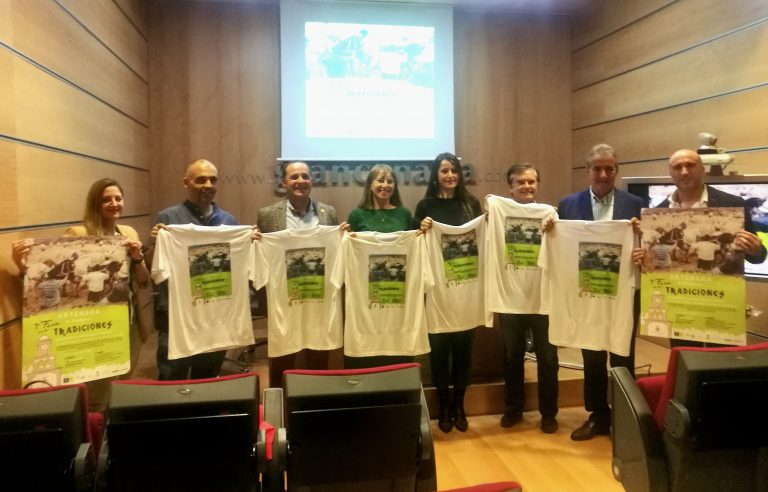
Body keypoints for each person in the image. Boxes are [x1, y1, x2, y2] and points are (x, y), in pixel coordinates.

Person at [12, 178, 150, 410]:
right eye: (106, 199)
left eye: (118, 198)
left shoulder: (128, 232)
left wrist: (137, 258)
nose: (114, 203)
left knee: (122, 381)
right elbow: (52, 273)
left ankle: (111, 424)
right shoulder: (78, 233)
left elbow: (144, 282)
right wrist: (22, 262)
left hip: (129, 323)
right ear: (95, 203)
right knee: (98, 387)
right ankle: (95, 427)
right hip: (95, 326)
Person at [557, 144, 644, 441]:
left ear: (617, 170)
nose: (604, 174)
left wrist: (642, 242)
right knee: (592, 353)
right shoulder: (568, 205)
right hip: (587, 290)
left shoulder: (636, 204)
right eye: (597, 168)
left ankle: (626, 417)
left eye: (610, 169)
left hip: (624, 291)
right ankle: (598, 415)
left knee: (623, 354)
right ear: (587, 170)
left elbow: (651, 244)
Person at [654, 149, 766, 347]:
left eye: (690, 165)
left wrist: (755, 249)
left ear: (702, 169)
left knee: (723, 359)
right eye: (677, 167)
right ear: (671, 174)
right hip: (680, 303)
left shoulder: (732, 204)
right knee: (685, 356)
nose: (684, 171)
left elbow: (758, 257)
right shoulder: (657, 213)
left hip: (720, 301)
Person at [146, 159, 239, 380]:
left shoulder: (229, 221)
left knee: (207, 376)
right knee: (172, 376)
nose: (208, 185)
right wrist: (156, 244)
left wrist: (250, 240)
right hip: (175, 314)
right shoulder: (168, 218)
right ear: (185, 183)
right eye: (200, 180)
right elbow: (152, 266)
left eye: (213, 180)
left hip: (214, 314)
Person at [256, 161, 341, 387]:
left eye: (305, 176)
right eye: (294, 177)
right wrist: (256, 241)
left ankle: (314, 401)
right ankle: (281, 404)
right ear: (283, 182)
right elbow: (262, 257)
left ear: (311, 180)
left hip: (319, 299)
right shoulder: (267, 215)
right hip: (285, 302)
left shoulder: (328, 213)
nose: (300, 181)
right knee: (282, 363)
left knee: (318, 360)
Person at [415, 152, 483, 433]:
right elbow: (416, 242)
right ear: (436, 175)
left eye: (454, 170)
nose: (450, 175)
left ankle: (459, 405)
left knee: (464, 352)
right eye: (444, 171)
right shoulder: (425, 206)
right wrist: (421, 229)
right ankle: (443, 405)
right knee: (440, 353)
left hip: (466, 290)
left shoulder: (471, 204)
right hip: (439, 292)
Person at [493, 163, 560, 434]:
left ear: (538, 185)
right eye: (520, 182)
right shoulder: (498, 211)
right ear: (510, 188)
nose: (526, 186)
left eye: (531, 181)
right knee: (512, 358)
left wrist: (556, 229)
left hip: (543, 298)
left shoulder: (550, 214)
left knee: (548, 358)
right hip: (510, 297)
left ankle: (549, 414)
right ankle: (514, 409)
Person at [348, 164, 413, 233]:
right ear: (370, 185)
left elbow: (412, 239)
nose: (385, 185)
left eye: (390, 181)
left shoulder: (405, 214)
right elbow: (350, 238)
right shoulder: (356, 215)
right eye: (380, 180)